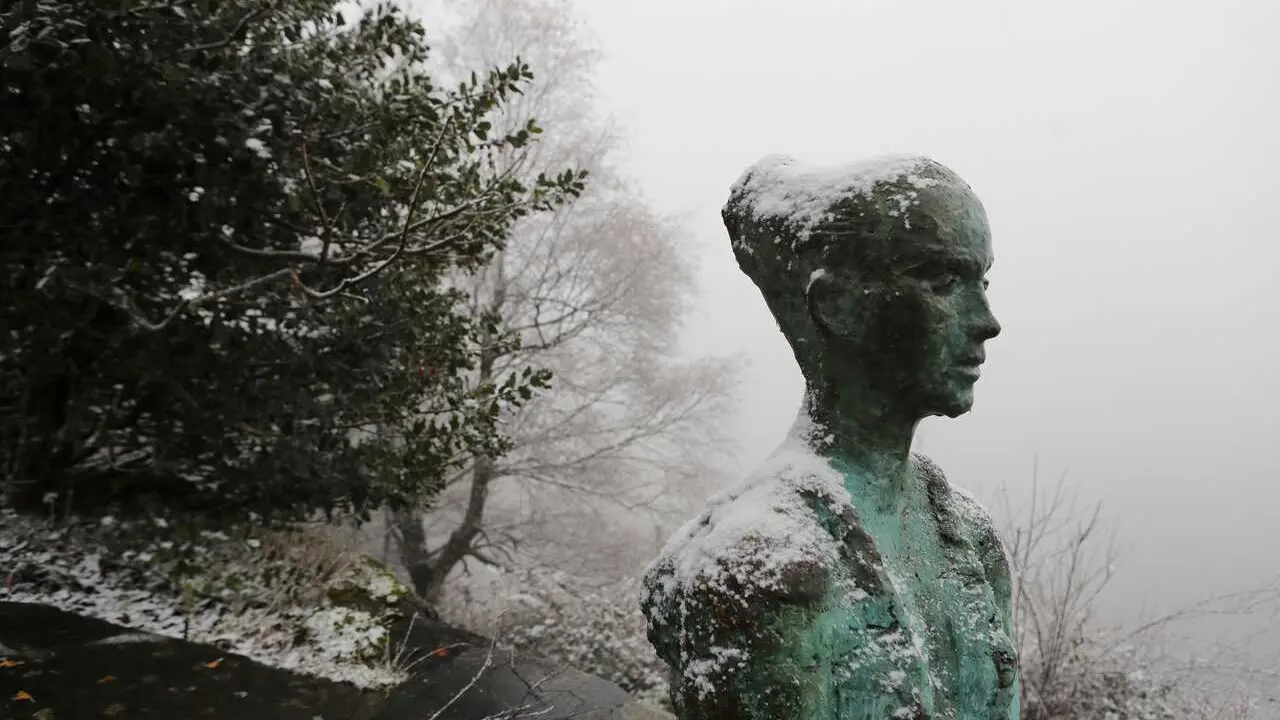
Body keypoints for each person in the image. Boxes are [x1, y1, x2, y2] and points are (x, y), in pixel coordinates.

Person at [642, 155, 1019, 720]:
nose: (987, 320)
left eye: (981, 281)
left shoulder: (970, 538)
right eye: (942, 281)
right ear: (833, 304)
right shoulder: (765, 566)